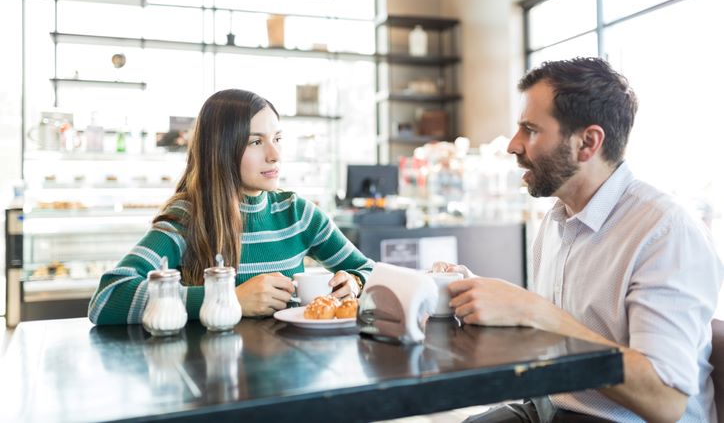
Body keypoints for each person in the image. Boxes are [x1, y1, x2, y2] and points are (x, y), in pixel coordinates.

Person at [436, 57, 722, 422]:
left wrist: (534, 313)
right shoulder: (558, 220)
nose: (512, 145)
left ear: (588, 142)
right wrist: (482, 299)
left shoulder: (665, 233)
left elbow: (664, 401)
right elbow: (552, 333)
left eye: (530, 130)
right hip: (549, 407)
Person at [89, 89, 374, 324]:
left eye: (277, 139)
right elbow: (107, 297)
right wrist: (227, 297)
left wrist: (355, 283)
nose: (274, 155)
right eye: (255, 142)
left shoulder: (298, 214)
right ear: (221, 149)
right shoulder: (187, 219)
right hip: (214, 379)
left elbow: (368, 269)